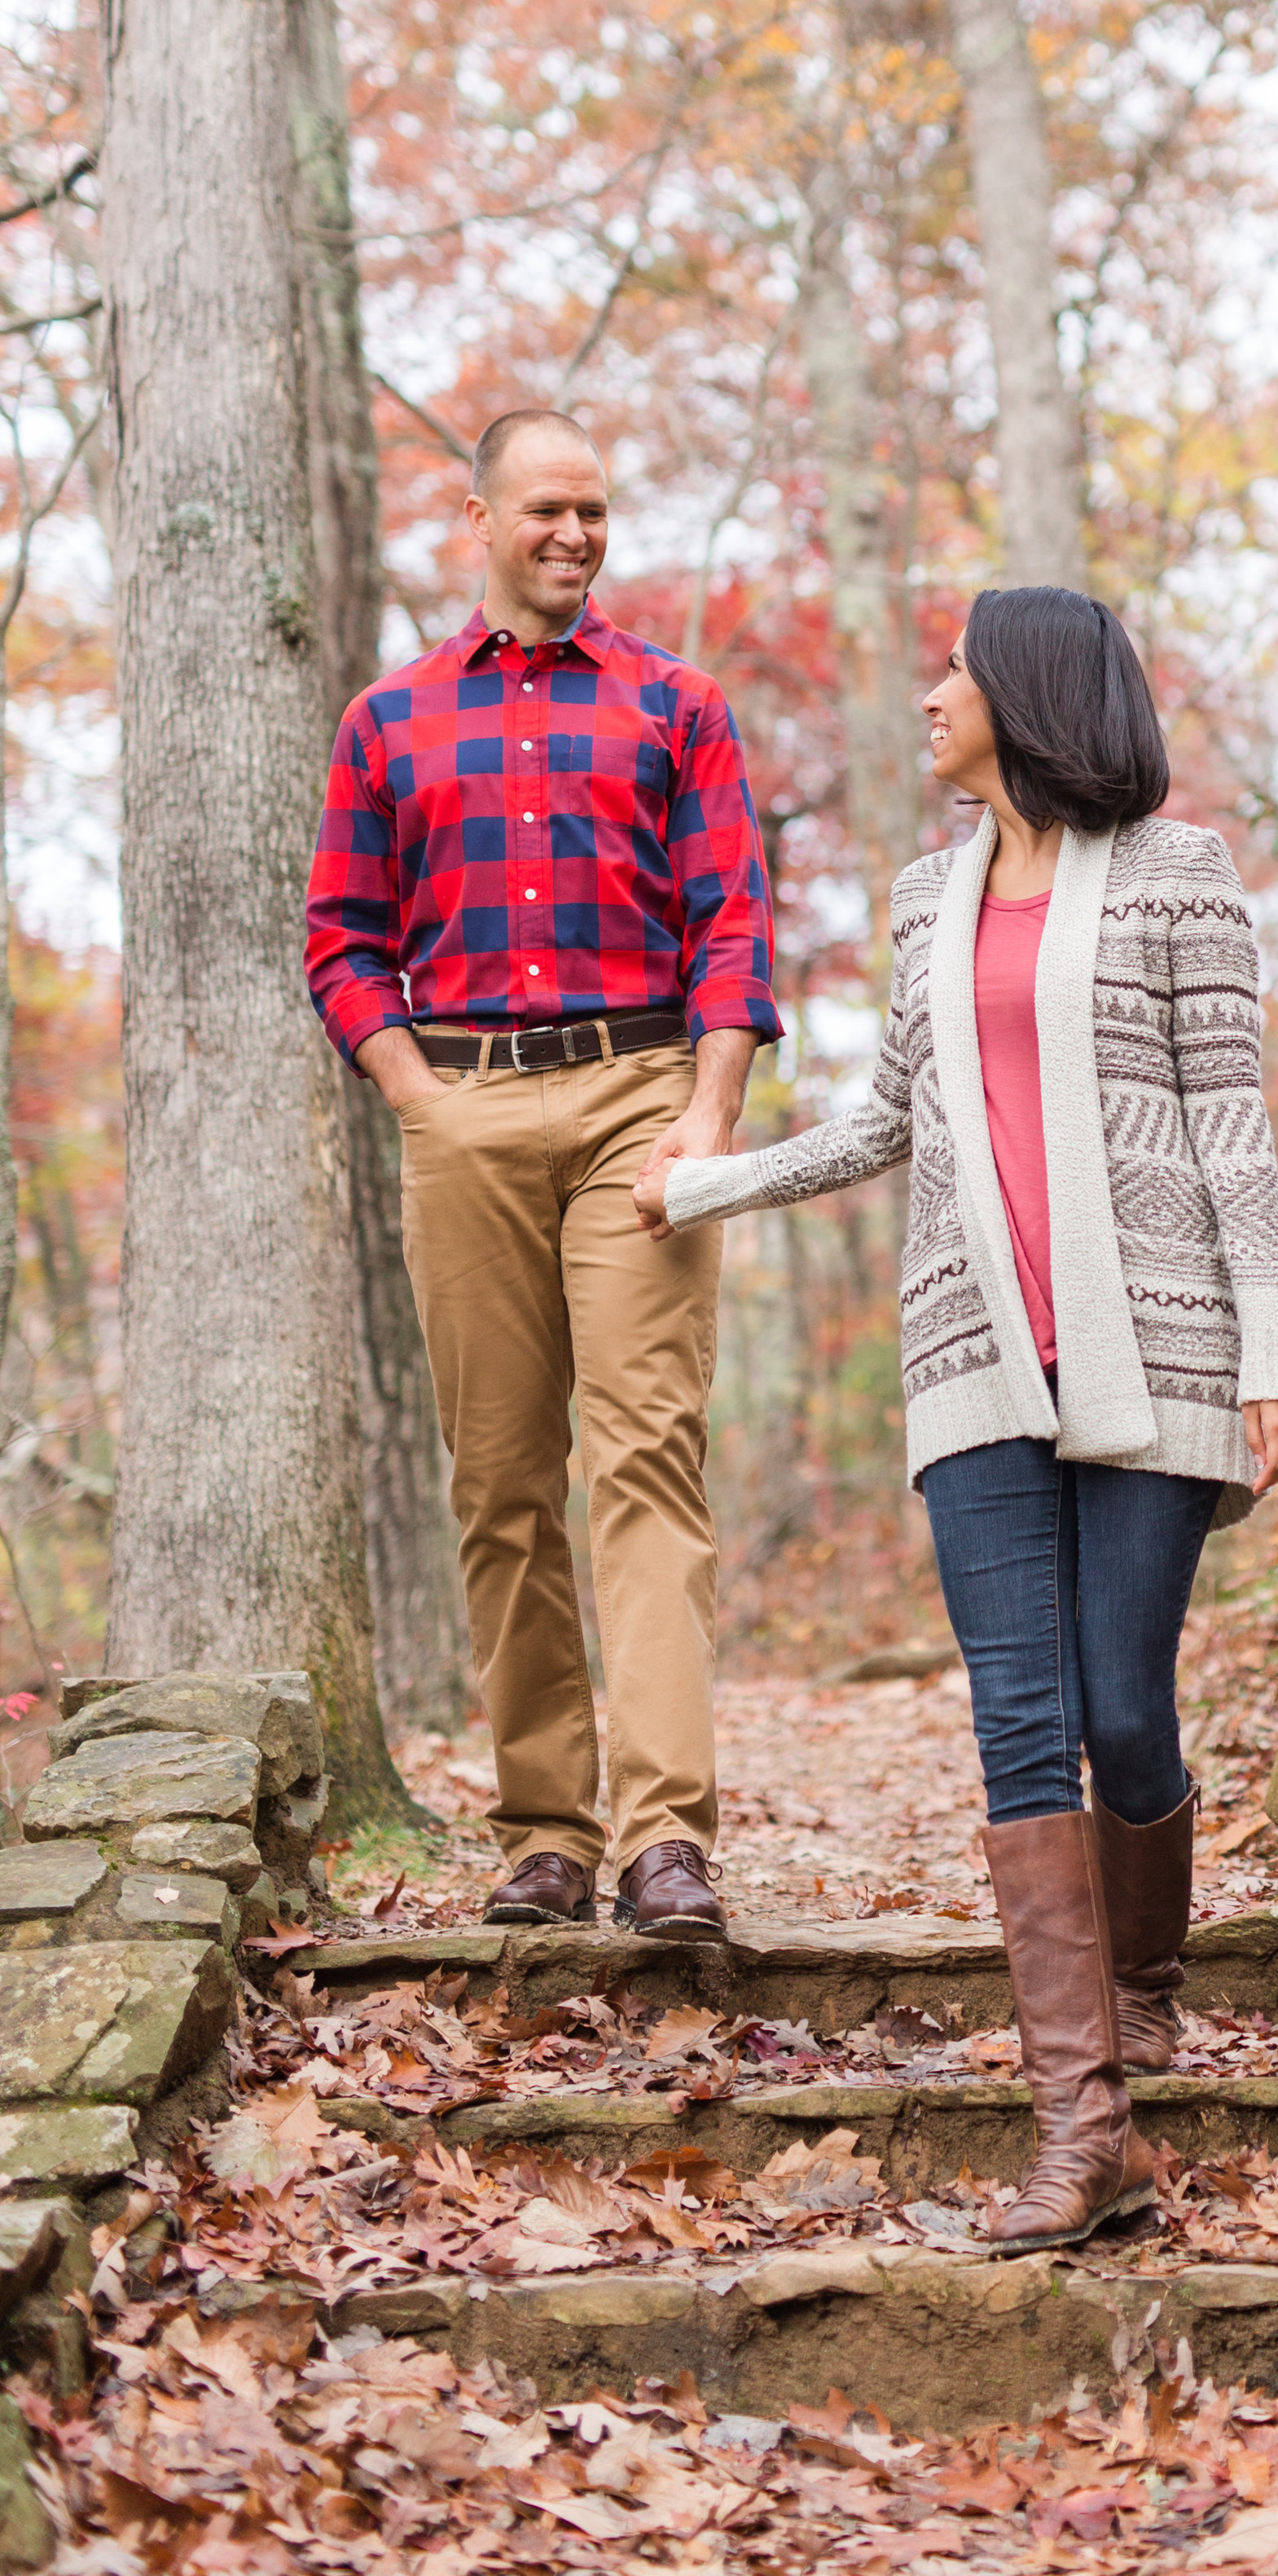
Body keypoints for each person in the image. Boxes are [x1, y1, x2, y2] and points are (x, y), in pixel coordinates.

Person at [636, 585, 1278, 2253]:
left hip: (1157, 1343)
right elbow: (885, 1120)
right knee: (1019, 1720)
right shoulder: (927, 893)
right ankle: (1082, 2133)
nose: (925, 692)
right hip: (970, 1353)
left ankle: (1145, 1971)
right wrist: (713, 1186)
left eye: (948, 667)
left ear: (1023, 691)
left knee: (1123, 1711)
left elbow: (1227, 1127)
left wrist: (1271, 1352)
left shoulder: (1179, 872)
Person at [305, 408, 781, 1938]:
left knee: (643, 1458)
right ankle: (547, 1833)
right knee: (502, 1481)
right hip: (467, 1108)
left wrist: (711, 1113)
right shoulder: (389, 719)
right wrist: (418, 1100)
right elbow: (341, 941)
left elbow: (731, 930)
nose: (574, 533)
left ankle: (666, 1845)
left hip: (646, 1098)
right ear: (480, 516)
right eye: (547, 509)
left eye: (595, 508)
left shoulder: (677, 705)